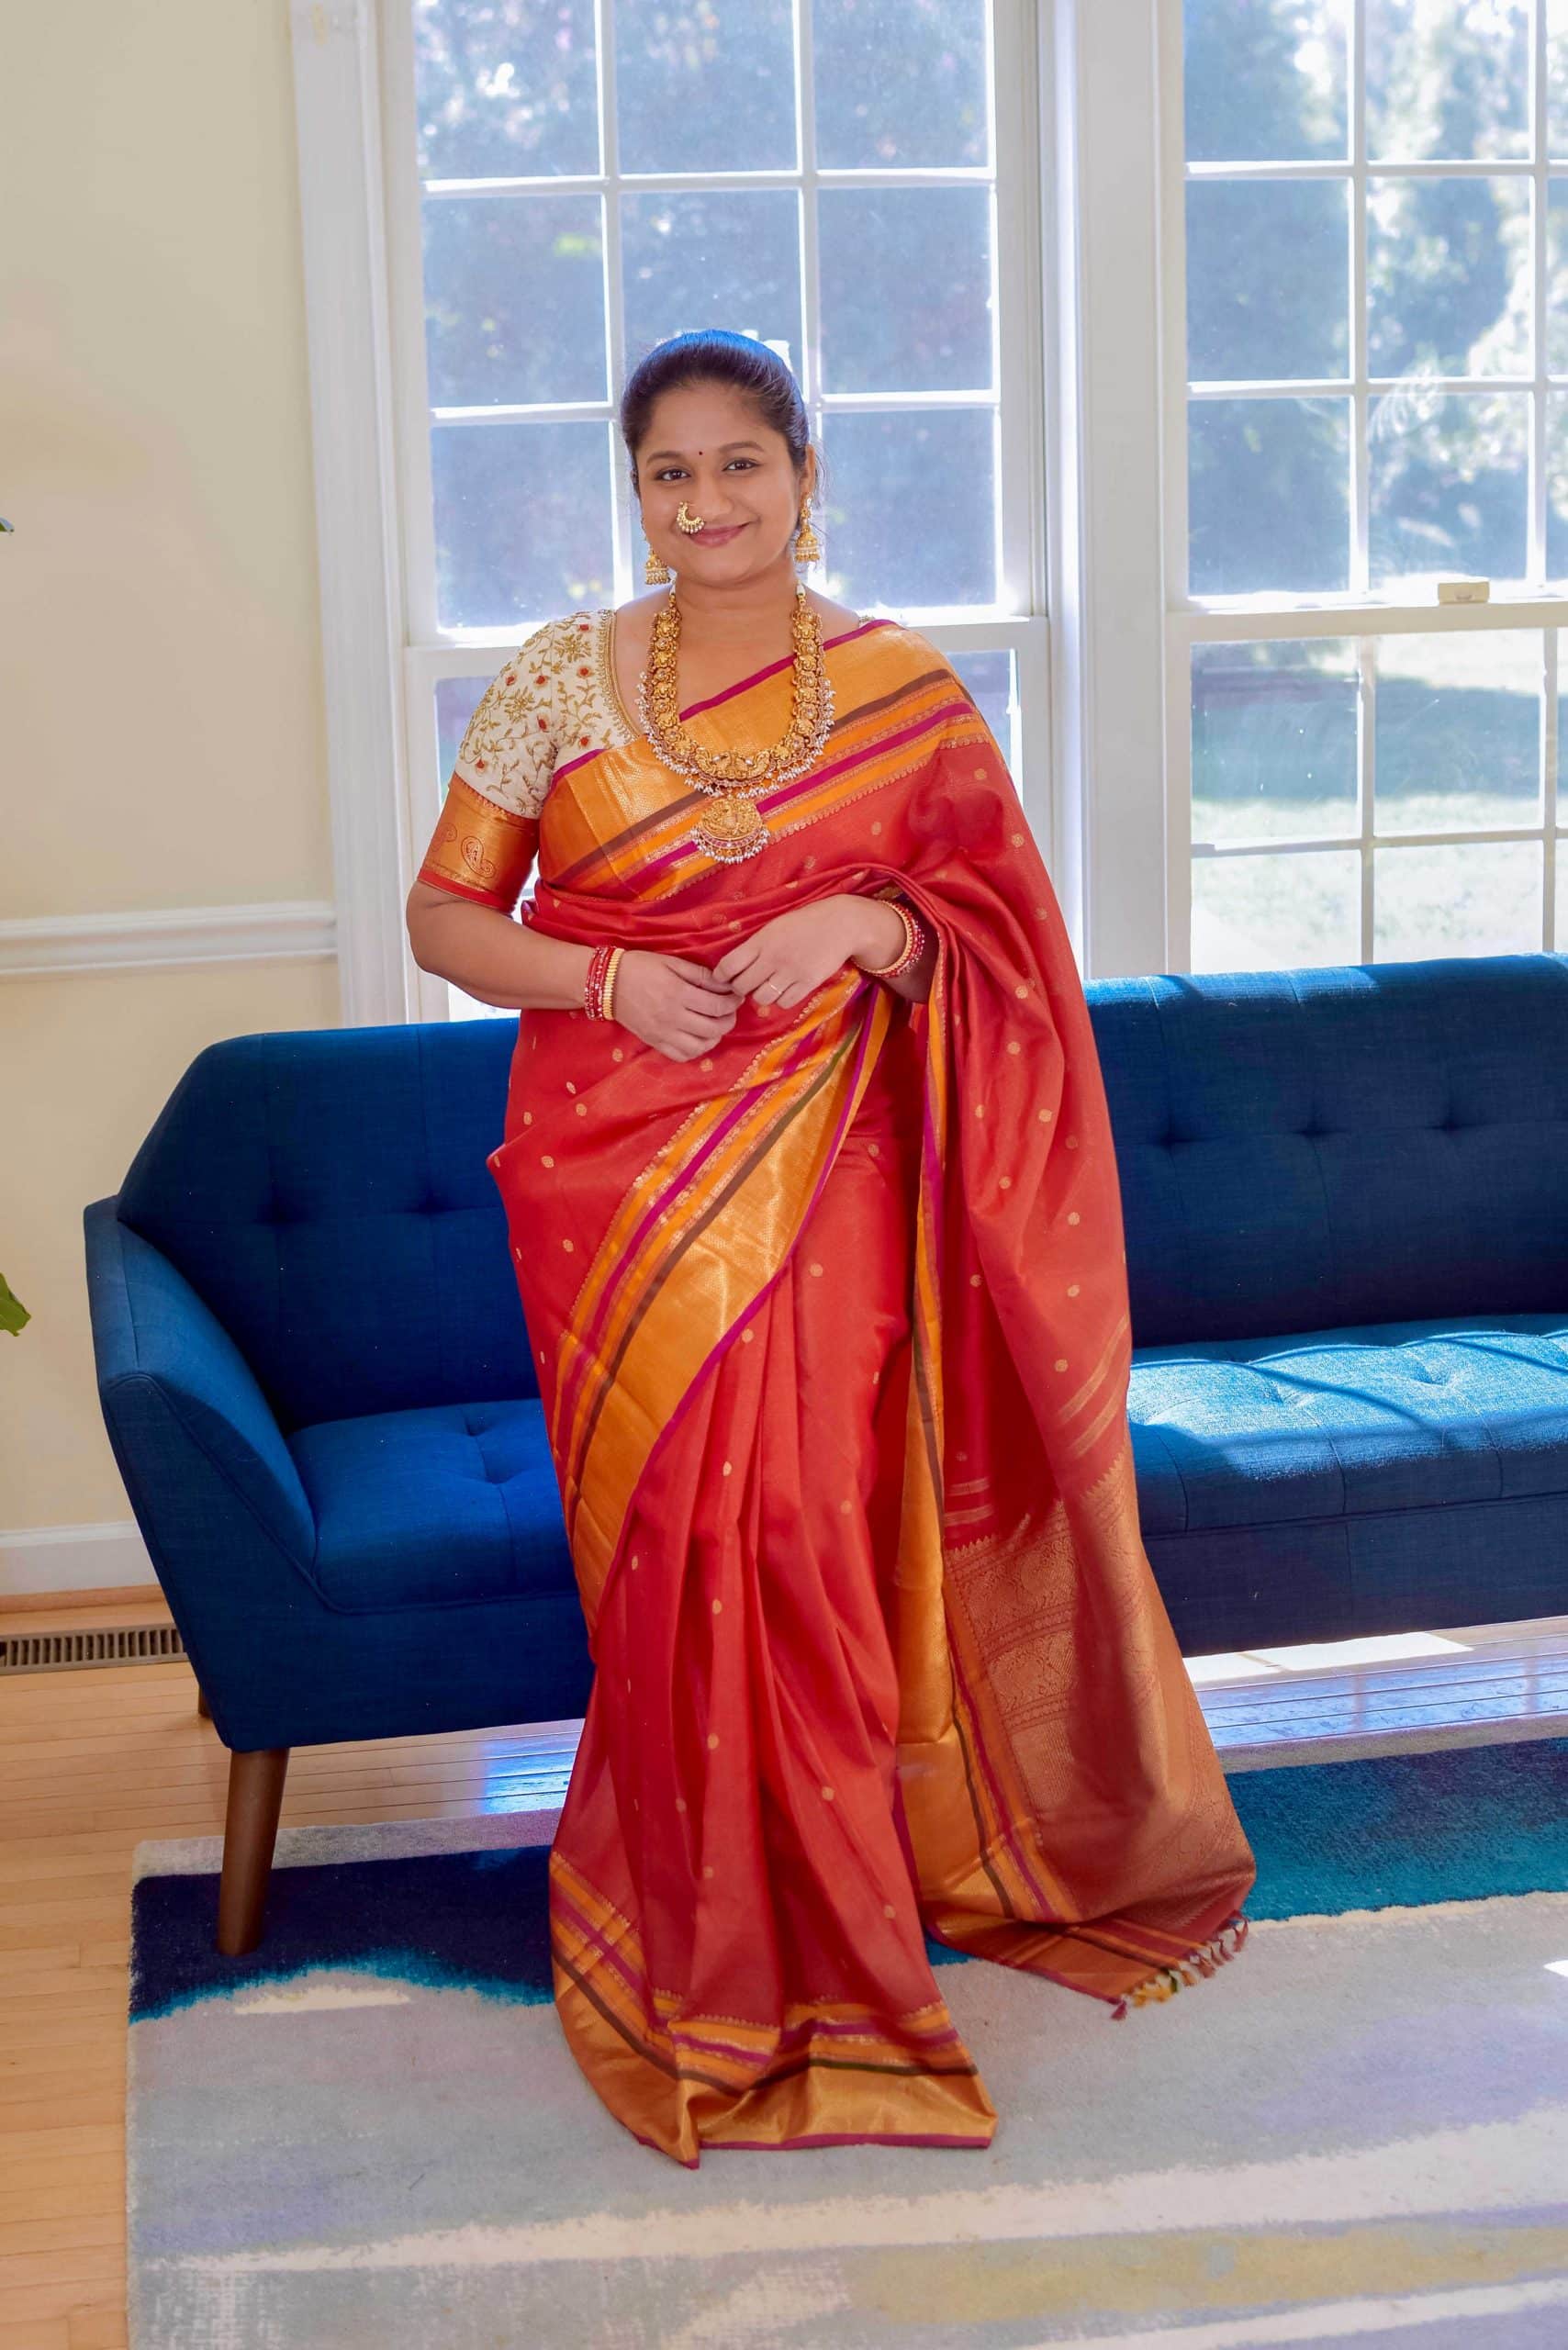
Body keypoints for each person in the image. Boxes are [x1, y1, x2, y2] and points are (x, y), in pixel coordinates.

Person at [406, 329, 1256, 2170]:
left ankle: (836, 1919)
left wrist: (875, 918)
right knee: (668, 1553)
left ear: (805, 473)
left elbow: (1005, 942)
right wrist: (609, 971)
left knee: (798, 1525)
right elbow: (444, 918)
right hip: (608, 1187)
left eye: (738, 465)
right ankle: (706, 1922)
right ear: (629, 492)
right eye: (666, 473)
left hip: (830, 1168)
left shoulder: (901, 691)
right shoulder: (558, 679)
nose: (703, 503)